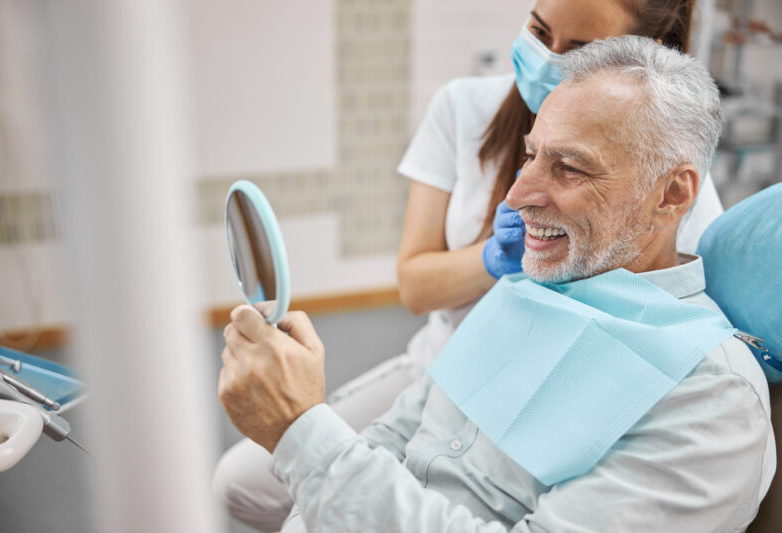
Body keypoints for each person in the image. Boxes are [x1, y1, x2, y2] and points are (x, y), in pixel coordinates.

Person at [218, 36, 775, 532]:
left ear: (672, 195)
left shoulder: (711, 397)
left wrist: (302, 432)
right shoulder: (526, 288)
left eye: (569, 168)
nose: (516, 195)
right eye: (531, 155)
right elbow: (395, 437)